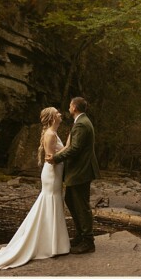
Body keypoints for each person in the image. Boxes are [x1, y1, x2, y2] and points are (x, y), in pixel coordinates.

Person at [0, 107, 70, 274]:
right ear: (53, 117)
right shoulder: (50, 135)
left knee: (51, 202)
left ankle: (52, 242)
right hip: (52, 174)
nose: (60, 114)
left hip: (54, 174)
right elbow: (51, 158)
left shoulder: (53, 132)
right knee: (50, 201)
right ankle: (49, 244)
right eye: (57, 113)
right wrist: (69, 145)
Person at [46, 97, 100, 254]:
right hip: (79, 170)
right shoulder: (82, 121)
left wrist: (55, 158)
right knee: (71, 200)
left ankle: (88, 241)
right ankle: (80, 235)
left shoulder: (82, 123)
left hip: (81, 171)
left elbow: (75, 148)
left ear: (74, 107)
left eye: (70, 105)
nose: (68, 108)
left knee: (81, 205)